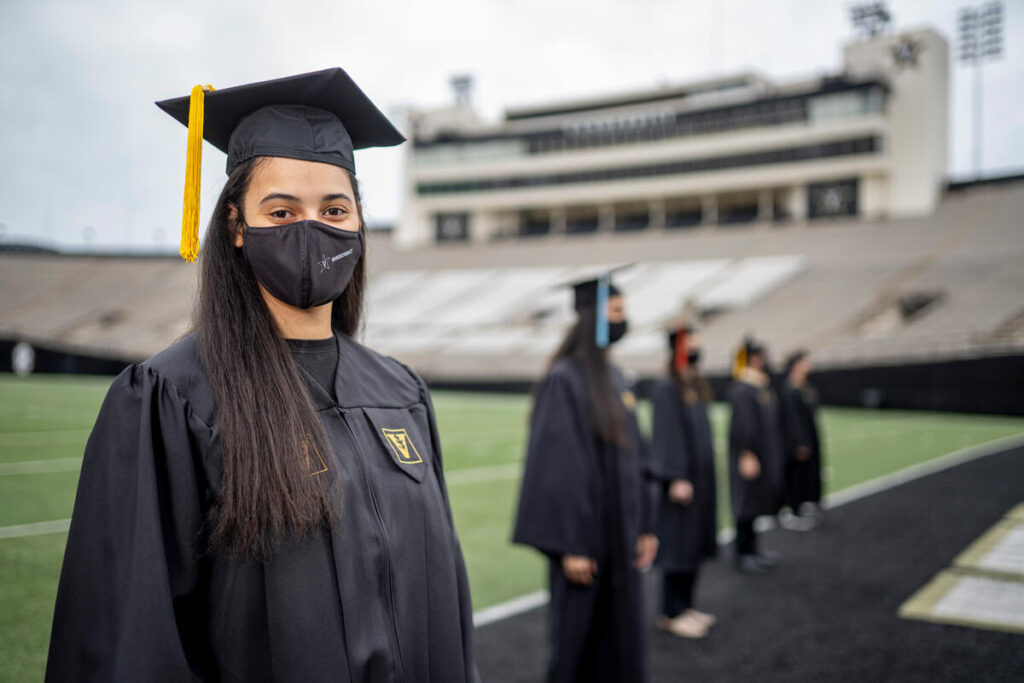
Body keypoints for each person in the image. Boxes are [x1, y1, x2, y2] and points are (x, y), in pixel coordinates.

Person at [46, 69, 478, 682]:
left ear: (358, 224)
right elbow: (129, 637)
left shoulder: (400, 391)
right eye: (281, 210)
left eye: (334, 208)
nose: (311, 228)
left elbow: (450, 608)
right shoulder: (174, 397)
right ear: (235, 226)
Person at [513, 271, 658, 683]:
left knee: (622, 641)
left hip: (622, 536)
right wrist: (570, 545)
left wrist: (646, 523)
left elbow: (639, 458)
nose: (622, 320)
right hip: (586, 546)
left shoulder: (615, 379)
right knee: (579, 645)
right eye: (615, 311)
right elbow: (557, 468)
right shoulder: (564, 380)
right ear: (592, 316)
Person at [651, 324, 718, 639]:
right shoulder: (668, 387)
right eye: (692, 340)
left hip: (700, 480)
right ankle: (671, 612)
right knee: (677, 547)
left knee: (692, 546)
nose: (698, 345)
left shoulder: (693, 384)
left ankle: (687, 605)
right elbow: (666, 436)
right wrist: (675, 476)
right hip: (681, 484)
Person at [728, 336, 784, 574]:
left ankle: (753, 550)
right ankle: (743, 554)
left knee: (755, 504)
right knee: (745, 505)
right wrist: (747, 453)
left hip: (762, 455)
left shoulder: (760, 386)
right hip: (749, 456)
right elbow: (742, 425)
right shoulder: (743, 389)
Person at [779, 349, 824, 530]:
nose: (808, 366)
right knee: (796, 476)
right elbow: (792, 421)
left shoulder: (806, 386)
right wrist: (800, 442)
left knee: (808, 473)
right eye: (804, 362)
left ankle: (804, 503)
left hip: (809, 436)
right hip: (797, 442)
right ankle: (792, 509)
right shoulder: (790, 390)